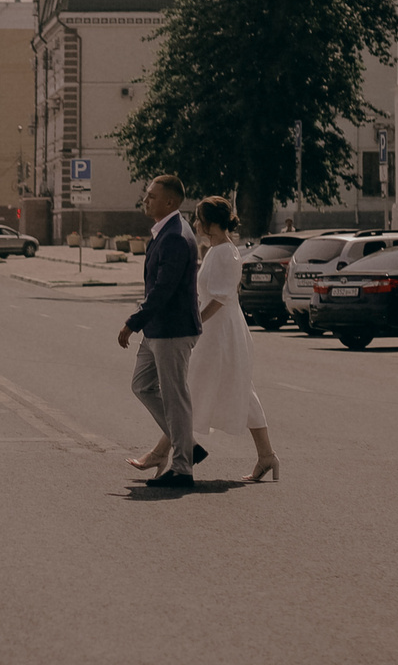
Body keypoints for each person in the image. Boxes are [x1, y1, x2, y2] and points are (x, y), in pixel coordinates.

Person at [184, 197, 279, 482]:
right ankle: (267, 456)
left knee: (192, 387)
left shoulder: (226, 253)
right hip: (218, 330)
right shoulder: (216, 250)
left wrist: (195, 323)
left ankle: (165, 451)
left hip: (221, 333)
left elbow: (221, 298)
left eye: (199, 219)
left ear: (211, 222)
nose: (196, 224)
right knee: (236, 390)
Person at [117, 175, 203, 486]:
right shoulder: (163, 232)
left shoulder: (175, 237)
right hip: (157, 330)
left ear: (169, 202)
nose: (146, 199)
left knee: (175, 396)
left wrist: (133, 321)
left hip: (173, 330)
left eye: (152, 196)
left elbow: (164, 290)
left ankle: (183, 469)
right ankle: (188, 445)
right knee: (141, 385)